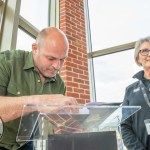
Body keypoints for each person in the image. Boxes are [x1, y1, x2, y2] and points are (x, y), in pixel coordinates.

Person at [0, 27, 77, 150]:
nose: (57, 66)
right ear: (35, 49)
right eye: (51, 59)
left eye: (62, 59)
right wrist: (40, 102)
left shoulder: (60, 85)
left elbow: (54, 125)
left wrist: (67, 127)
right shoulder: (7, 62)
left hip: (28, 144)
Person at [121, 36, 150, 150]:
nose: (149, 54)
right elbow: (125, 126)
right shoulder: (130, 91)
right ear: (138, 58)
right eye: (144, 51)